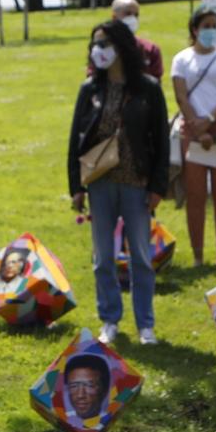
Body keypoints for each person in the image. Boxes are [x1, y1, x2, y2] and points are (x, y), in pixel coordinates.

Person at [68, 19, 171, 346]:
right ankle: (109, 319)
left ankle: (145, 325)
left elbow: (162, 140)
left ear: (122, 47)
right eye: (95, 44)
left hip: (137, 183)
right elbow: (76, 140)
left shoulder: (148, 88)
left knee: (141, 257)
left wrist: (157, 185)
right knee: (103, 259)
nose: (99, 50)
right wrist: (76, 186)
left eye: (105, 43)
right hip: (100, 184)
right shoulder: (90, 89)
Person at [171, 6, 216, 266]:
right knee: (196, 195)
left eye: (214, 25)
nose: (211, 30)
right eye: (206, 25)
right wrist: (196, 126)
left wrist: (209, 120)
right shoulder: (182, 59)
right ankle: (198, 255)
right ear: (195, 29)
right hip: (192, 131)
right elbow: (180, 95)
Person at [108, 0, 164, 79]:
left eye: (136, 15)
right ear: (114, 17)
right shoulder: (103, 48)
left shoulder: (151, 49)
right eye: (128, 14)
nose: (133, 19)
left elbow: (155, 84)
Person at [62, 352, 112, 423]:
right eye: (74, 386)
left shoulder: (111, 420)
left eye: (89, 385)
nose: (80, 395)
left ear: (105, 390)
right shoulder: (62, 419)